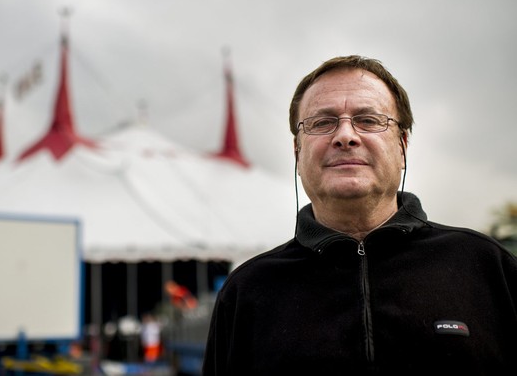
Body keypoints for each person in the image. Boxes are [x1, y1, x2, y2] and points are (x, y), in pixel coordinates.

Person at [202, 55, 517, 375]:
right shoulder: (248, 292)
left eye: (368, 120)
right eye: (322, 123)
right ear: (297, 152)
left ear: (402, 145)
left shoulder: (487, 267)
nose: (345, 136)